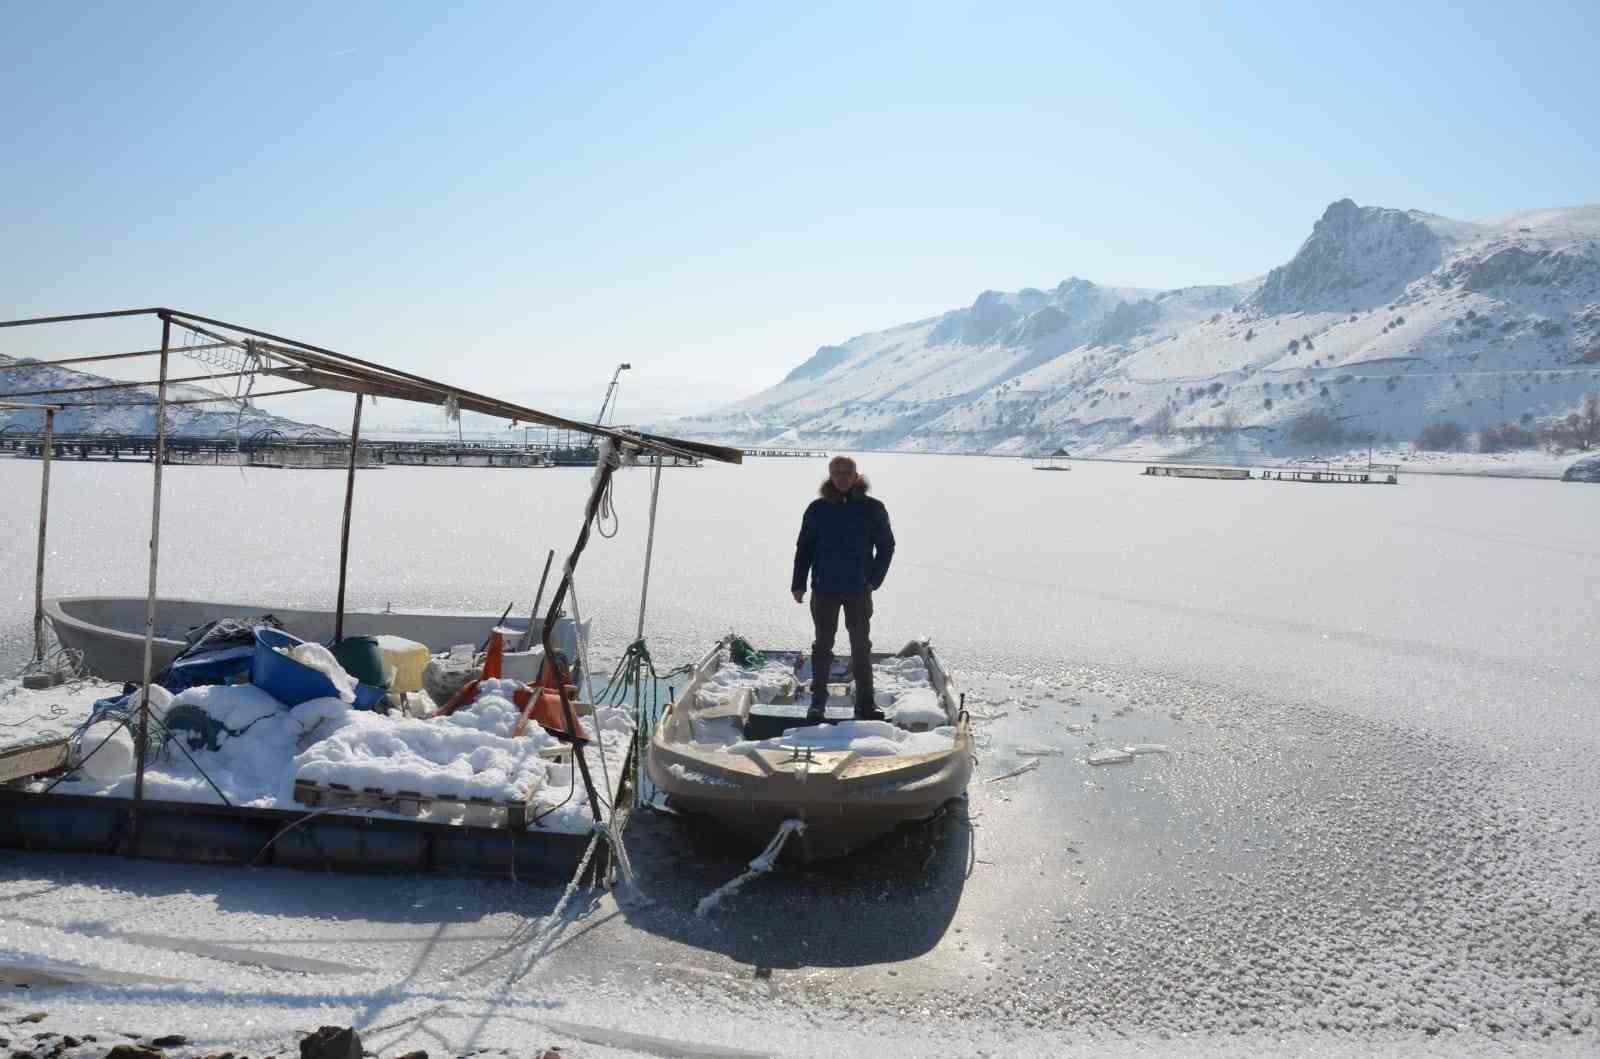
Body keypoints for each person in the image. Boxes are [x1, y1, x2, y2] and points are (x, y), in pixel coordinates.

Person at [791, 455, 895, 723]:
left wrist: (874, 580)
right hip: (824, 588)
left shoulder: (873, 508)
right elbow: (804, 548)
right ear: (830, 475)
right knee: (823, 645)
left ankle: (865, 703)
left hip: (858, 589)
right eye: (836, 472)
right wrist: (798, 583)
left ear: (856, 474)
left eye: (847, 472)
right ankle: (817, 702)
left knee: (861, 646)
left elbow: (886, 546)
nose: (842, 477)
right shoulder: (817, 509)